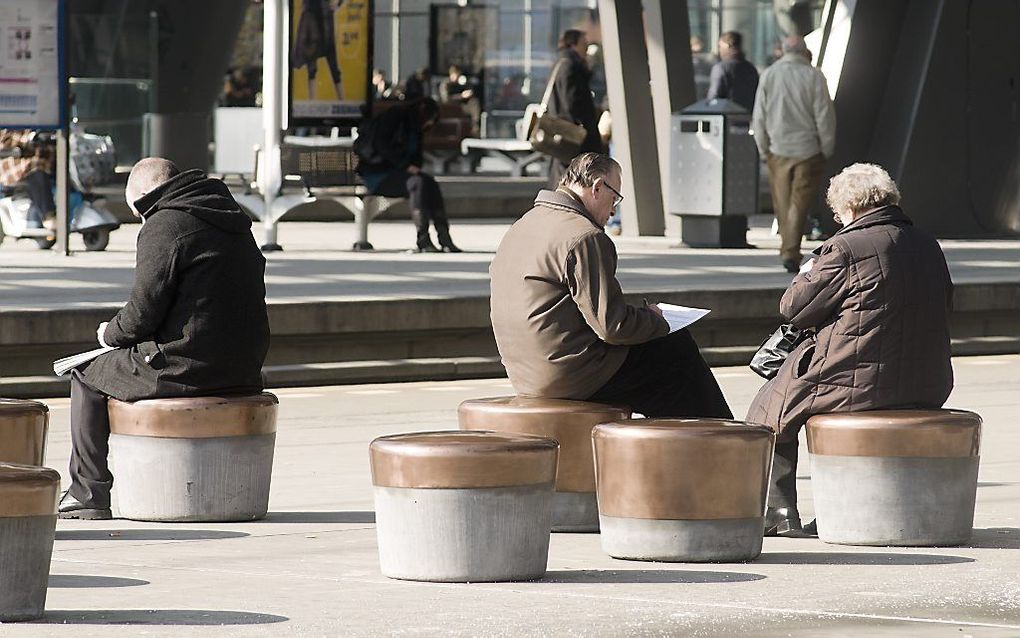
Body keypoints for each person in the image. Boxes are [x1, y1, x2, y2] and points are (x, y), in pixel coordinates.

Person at [746, 163, 954, 536]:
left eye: (837, 213)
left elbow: (793, 308)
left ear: (850, 208)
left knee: (769, 410)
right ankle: (847, 505)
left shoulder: (844, 247)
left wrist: (809, 268)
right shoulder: (927, 243)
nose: (837, 219)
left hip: (856, 381)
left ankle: (778, 512)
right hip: (926, 380)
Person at [58, 158, 270, 520]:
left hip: (187, 367)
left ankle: (87, 493)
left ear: (143, 197)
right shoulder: (231, 219)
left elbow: (142, 314)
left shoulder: (164, 224)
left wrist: (108, 334)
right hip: (245, 368)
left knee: (88, 375)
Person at [490, 152, 732, 419]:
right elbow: (612, 326)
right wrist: (657, 320)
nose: (614, 209)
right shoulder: (584, 236)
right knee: (675, 351)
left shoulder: (524, 224)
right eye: (615, 198)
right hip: (569, 375)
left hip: (525, 373)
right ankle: (721, 445)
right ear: (597, 188)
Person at [752, 36, 836, 273]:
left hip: (777, 149)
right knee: (800, 203)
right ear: (805, 52)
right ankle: (790, 249)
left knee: (782, 202)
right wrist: (826, 146)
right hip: (808, 149)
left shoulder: (769, 74)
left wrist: (762, 146)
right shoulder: (814, 76)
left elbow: (759, 114)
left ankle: (788, 248)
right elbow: (824, 114)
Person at [354, 98, 461, 253]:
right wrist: (405, 165)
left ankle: (444, 237)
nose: (429, 125)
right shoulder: (395, 118)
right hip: (377, 175)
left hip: (400, 175)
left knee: (429, 182)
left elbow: (416, 159)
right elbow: (381, 145)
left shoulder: (416, 128)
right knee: (418, 183)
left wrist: (411, 167)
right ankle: (423, 239)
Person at [546, 29, 606, 187]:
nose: (586, 48)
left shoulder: (562, 62)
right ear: (573, 44)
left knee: (565, 174)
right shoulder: (570, 66)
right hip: (573, 134)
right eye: (583, 43)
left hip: (564, 132)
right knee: (575, 177)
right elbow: (572, 101)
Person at [0, 129, 55, 229]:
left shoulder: (45, 121)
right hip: (15, 163)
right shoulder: (8, 121)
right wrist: (28, 139)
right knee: (37, 173)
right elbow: (5, 141)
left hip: (44, 160)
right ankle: (48, 215)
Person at [291, 0, 344, 101]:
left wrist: (338, 4)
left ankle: (341, 102)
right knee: (313, 65)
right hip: (313, 16)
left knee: (330, 62)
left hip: (322, 17)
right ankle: (313, 103)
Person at [707, 31, 759, 111]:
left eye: (720, 46)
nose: (719, 50)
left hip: (727, 117)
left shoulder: (720, 68)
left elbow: (714, 98)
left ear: (727, 46)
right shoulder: (751, 69)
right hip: (747, 117)